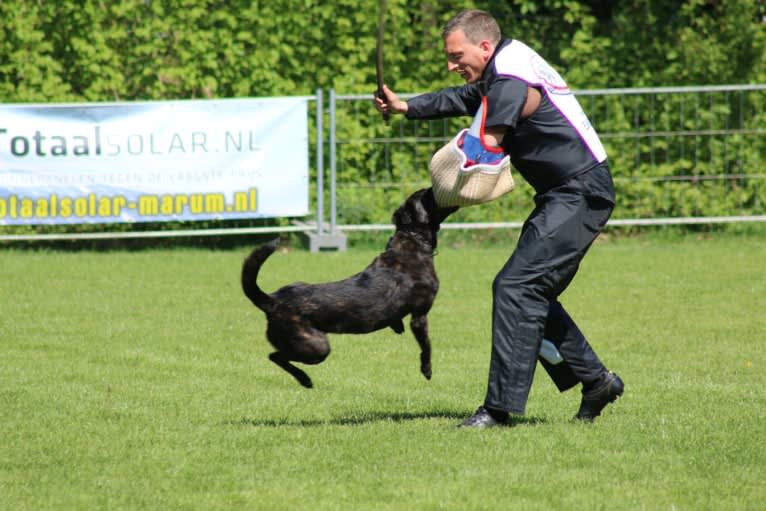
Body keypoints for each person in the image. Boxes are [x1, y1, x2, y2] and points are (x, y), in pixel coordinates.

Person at [374, 9, 624, 428]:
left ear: (484, 46)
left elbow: (484, 150)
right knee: (530, 291)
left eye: (457, 56)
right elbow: (464, 99)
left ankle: (500, 410)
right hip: (566, 194)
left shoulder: (509, 80)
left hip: (580, 193)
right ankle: (597, 381)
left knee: (516, 286)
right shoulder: (505, 66)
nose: (452, 66)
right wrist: (406, 106)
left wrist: (437, 202)